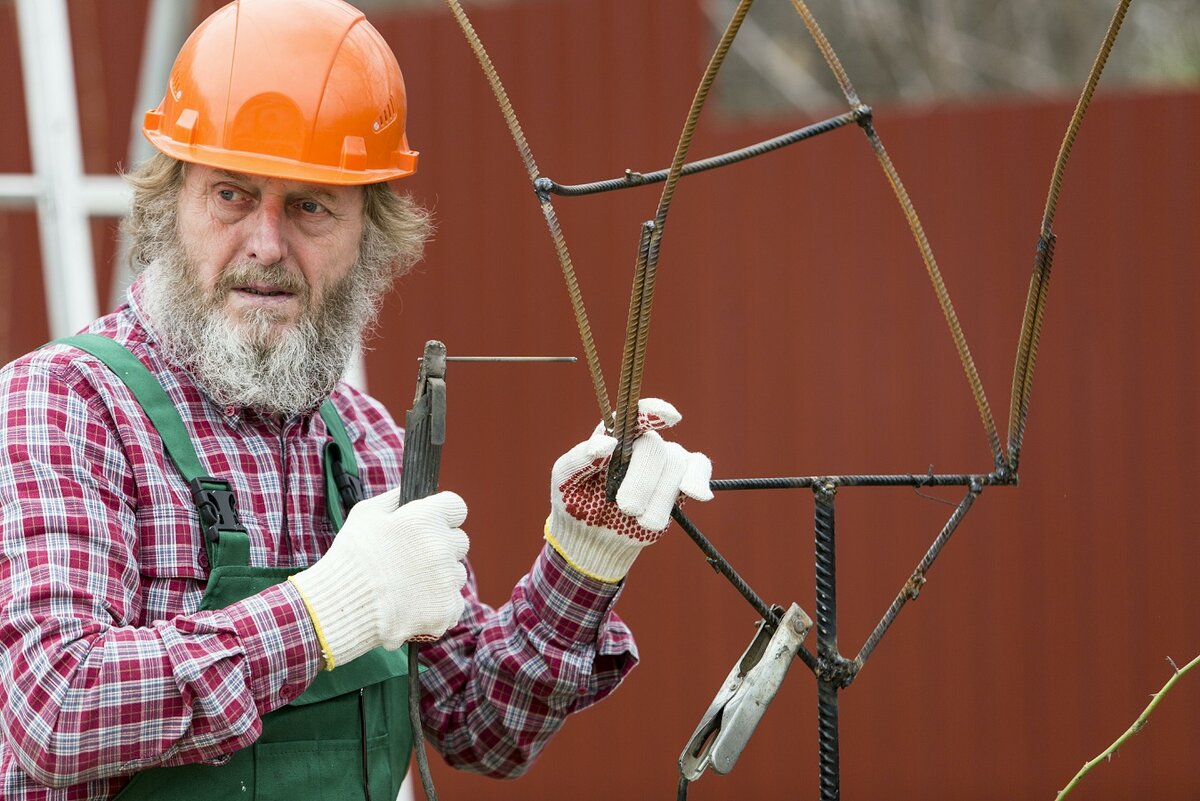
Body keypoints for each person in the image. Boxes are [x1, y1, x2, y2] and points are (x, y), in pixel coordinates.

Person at [0, 0, 713, 799]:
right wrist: (327, 611)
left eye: (309, 206)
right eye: (232, 194)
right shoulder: (67, 404)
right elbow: (55, 709)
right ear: (171, 208)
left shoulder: (367, 443)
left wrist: (584, 557)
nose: (268, 244)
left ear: (369, 240)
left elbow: (478, 722)